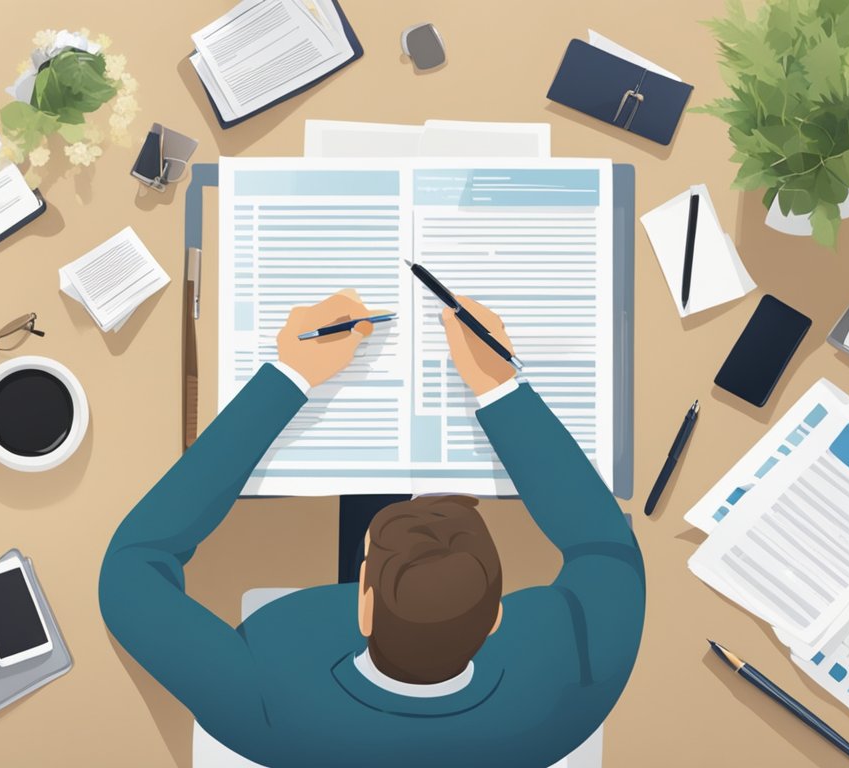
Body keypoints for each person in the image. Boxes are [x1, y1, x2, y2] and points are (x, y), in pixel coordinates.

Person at [99, 290, 645, 768]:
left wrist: (286, 379)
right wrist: (499, 389)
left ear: (363, 605)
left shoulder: (261, 700)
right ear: (497, 615)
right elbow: (605, 545)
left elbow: (129, 569)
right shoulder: (571, 687)